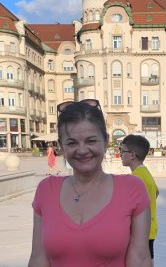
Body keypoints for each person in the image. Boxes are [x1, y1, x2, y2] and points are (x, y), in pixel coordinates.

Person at [28, 99, 152, 267]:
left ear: (106, 140)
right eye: (71, 143)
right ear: (61, 146)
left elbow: (141, 259)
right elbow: (38, 259)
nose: (82, 150)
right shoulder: (46, 190)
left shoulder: (132, 189)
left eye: (91, 141)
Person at [120, 134, 159, 262]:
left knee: (141, 261)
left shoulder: (135, 178)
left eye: (122, 151)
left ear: (132, 155)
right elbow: (156, 192)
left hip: (141, 230)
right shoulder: (145, 173)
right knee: (147, 259)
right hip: (150, 227)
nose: (120, 154)